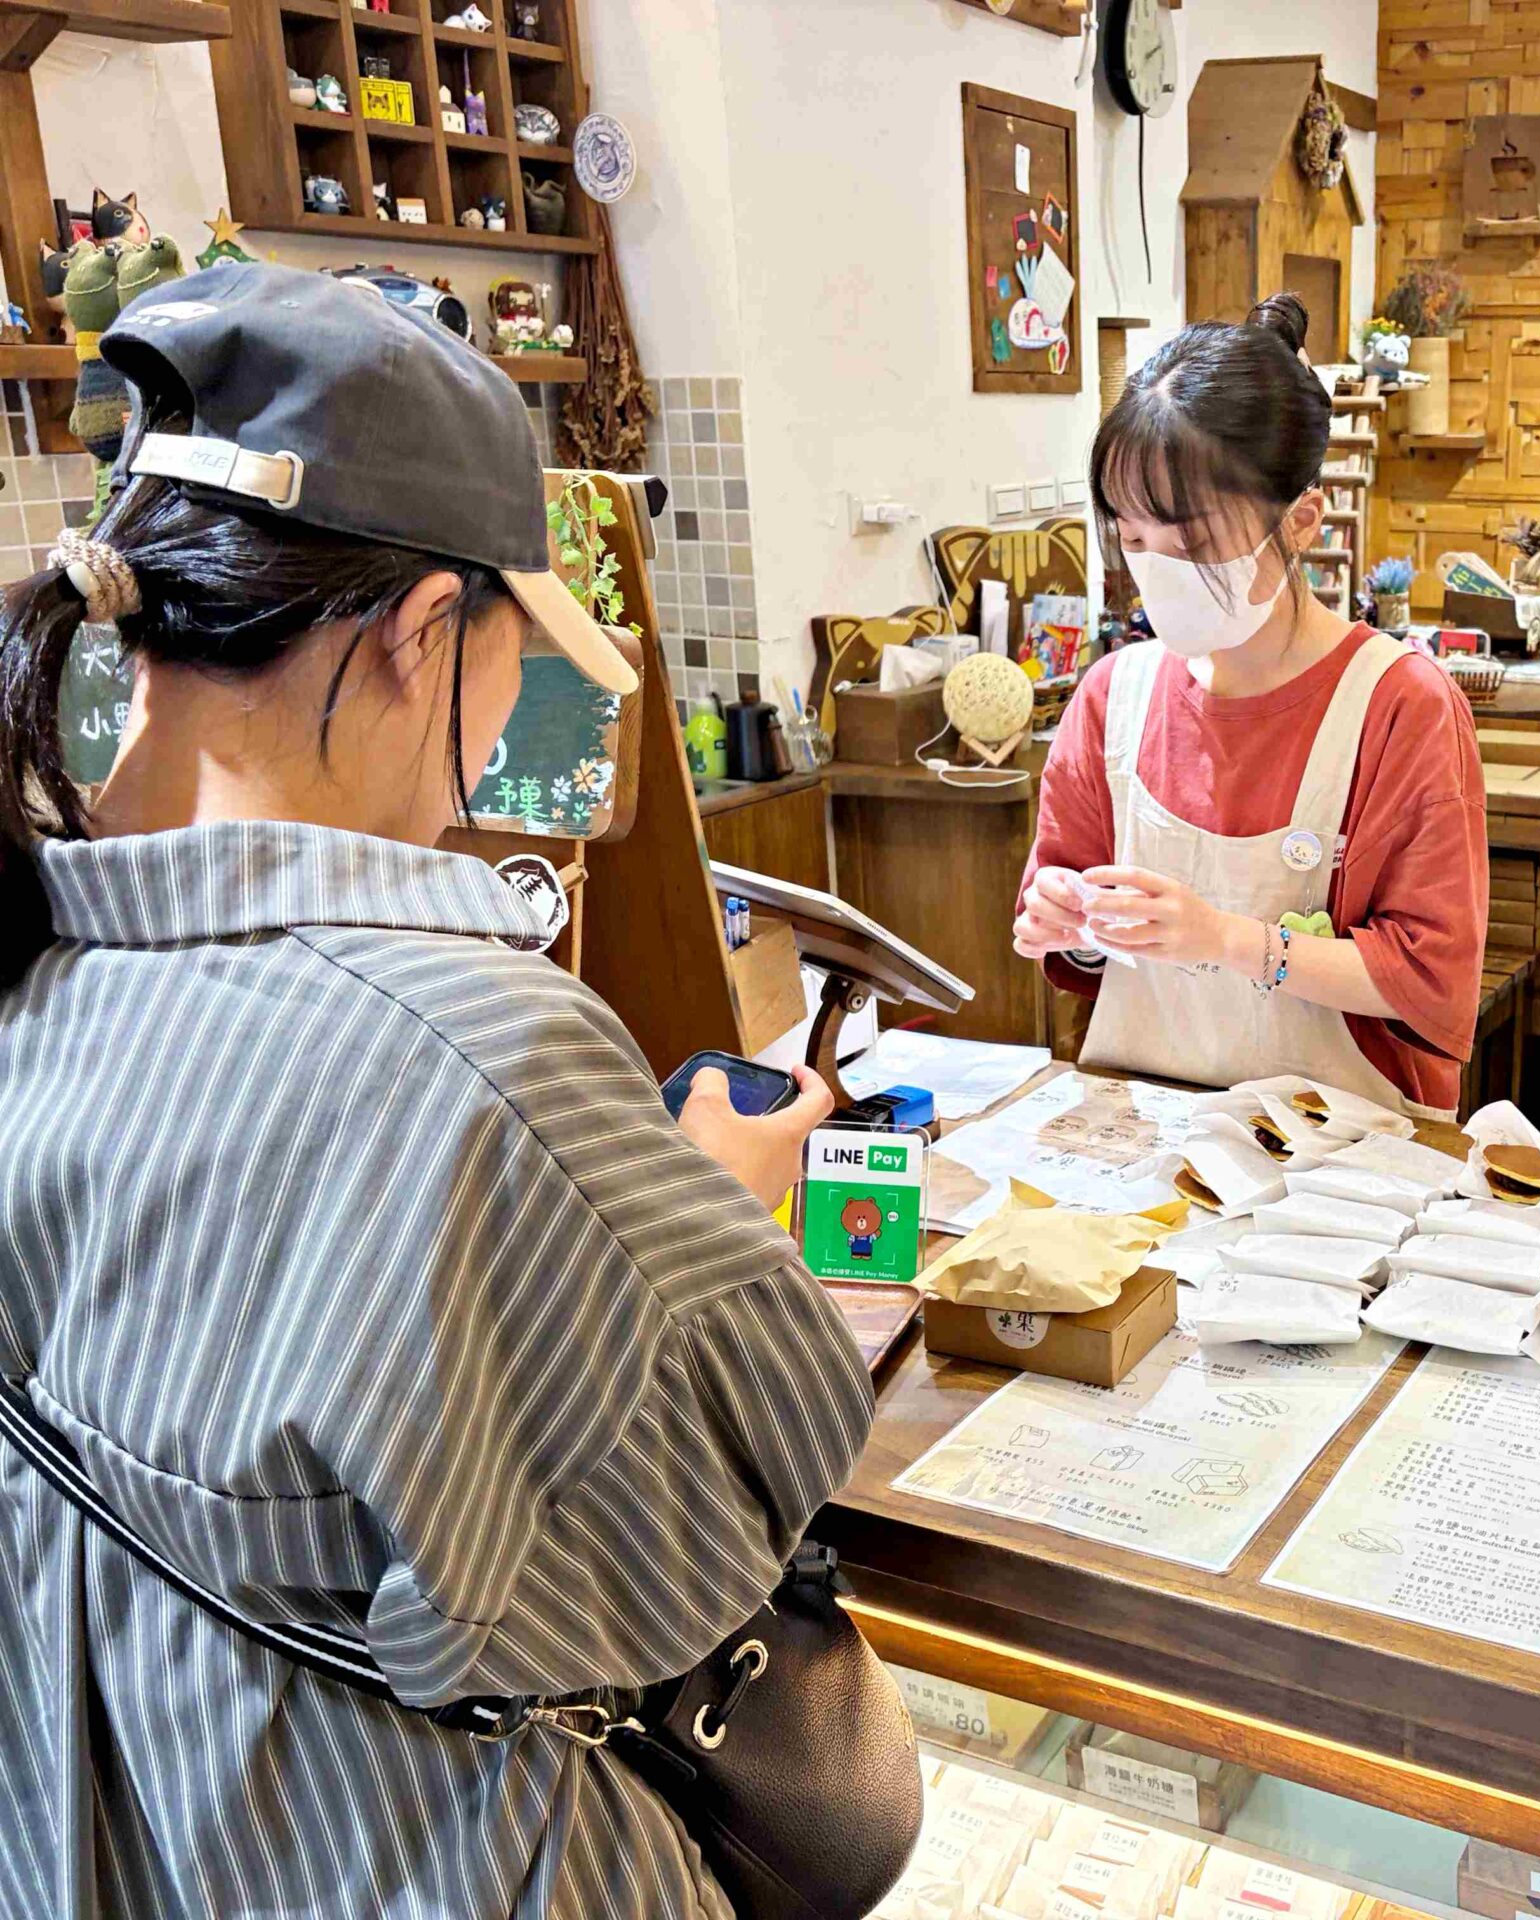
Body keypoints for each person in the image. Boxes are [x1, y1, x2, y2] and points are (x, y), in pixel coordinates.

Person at [0, 264, 869, 1918]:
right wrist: (711, 1211)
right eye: (509, 658)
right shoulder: (482, 1056)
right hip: (441, 1865)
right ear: (417, 637)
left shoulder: (35, 972)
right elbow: (713, 1528)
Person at [1014, 294, 1489, 1115]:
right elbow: (1068, 924)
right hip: (1146, 1130)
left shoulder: (1398, 707)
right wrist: (1071, 926)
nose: (1160, 571)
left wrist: (1230, 941)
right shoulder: (1111, 698)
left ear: (1301, 521)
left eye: (1194, 542)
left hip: (1339, 1149)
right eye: (1134, 539)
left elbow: (1430, 977)